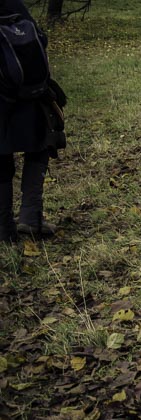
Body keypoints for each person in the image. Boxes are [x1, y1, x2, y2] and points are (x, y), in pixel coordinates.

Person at [0, 0, 61, 242]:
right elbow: (40, 39)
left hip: (3, 98)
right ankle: (31, 218)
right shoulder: (13, 3)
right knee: (38, 147)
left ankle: (5, 230)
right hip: (30, 93)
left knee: (1, 161)